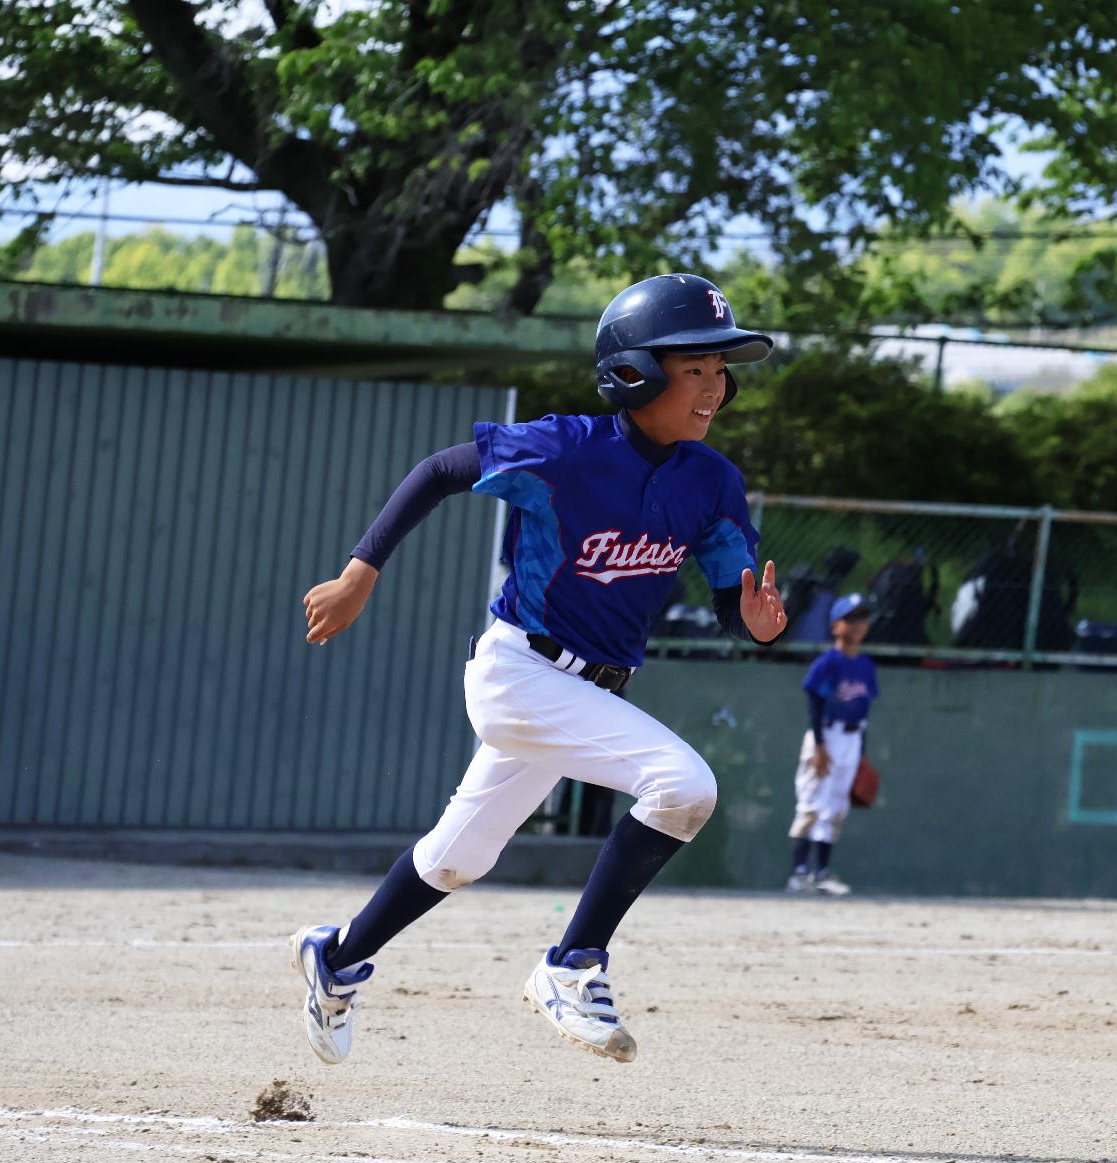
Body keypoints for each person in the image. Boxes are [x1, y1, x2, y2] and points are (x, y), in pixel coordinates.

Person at [290, 274, 789, 1066]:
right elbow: (441, 470)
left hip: (583, 694)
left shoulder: (712, 481)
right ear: (634, 373)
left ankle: (337, 957)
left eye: (720, 371)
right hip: (521, 674)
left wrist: (752, 623)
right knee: (684, 787)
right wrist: (359, 572)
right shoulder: (567, 448)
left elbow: (735, 593)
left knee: (458, 856)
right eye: (693, 368)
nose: (713, 388)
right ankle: (573, 962)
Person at [786, 593, 878, 896]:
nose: (859, 624)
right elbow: (814, 703)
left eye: (863, 618)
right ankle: (799, 873)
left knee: (836, 805)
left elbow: (864, 711)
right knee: (812, 802)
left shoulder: (865, 665)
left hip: (852, 739)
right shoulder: (828, 662)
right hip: (825, 735)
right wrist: (820, 746)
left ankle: (821, 873)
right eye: (851, 618)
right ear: (835, 625)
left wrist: (861, 753)